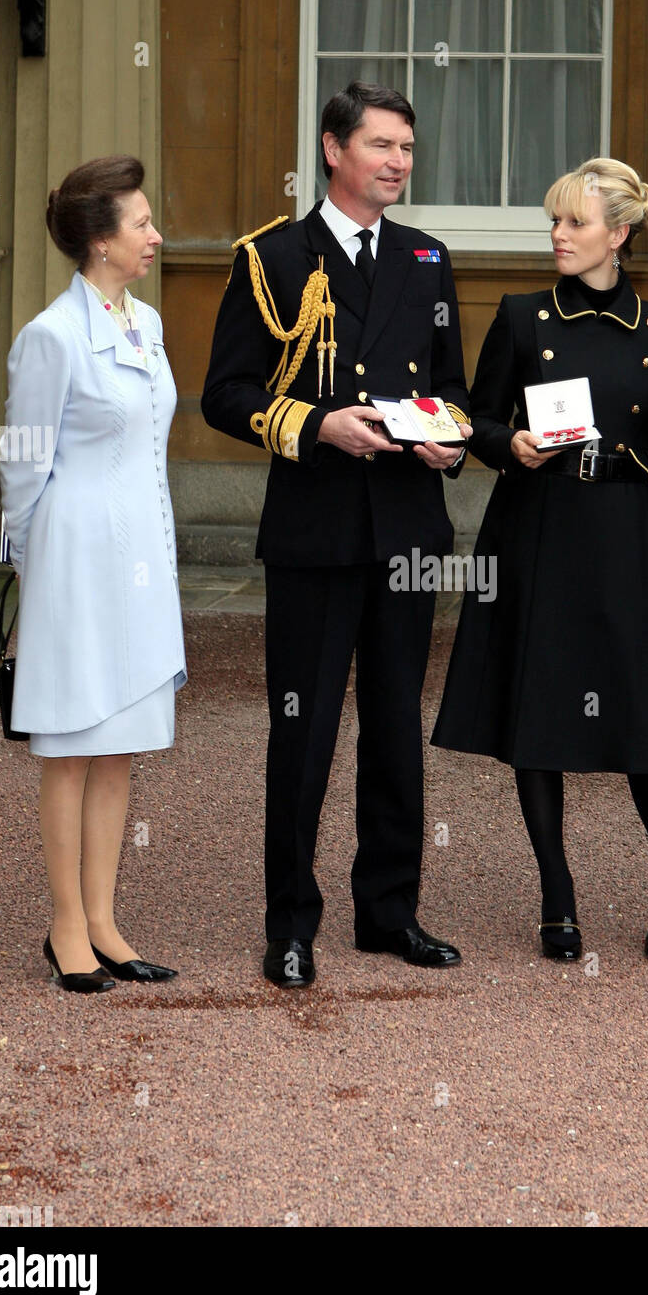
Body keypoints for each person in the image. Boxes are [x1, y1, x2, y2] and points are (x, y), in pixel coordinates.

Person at [202, 81, 472, 988]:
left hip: (404, 529)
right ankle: (290, 924)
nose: (398, 161)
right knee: (303, 730)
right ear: (332, 149)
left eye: (407, 147)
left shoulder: (428, 259)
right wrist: (317, 426)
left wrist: (448, 440)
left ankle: (390, 913)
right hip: (315, 530)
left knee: (395, 725)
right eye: (381, 145)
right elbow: (226, 394)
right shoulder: (273, 256)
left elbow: (452, 391)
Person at [431, 158, 648, 961]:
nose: (556, 235)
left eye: (573, 223)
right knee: (537, 713)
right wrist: (502, 441)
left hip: (618, 528)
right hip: (535, 526)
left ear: (618, 234)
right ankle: (557, 894)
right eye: (553, 222)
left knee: (641, 716)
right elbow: (471, 416)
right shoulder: (521, 317)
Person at [1, 155, 186, 994]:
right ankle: (65, 926)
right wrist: (33, 577)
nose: (154, 235)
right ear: (100, 241)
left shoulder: (144, 321)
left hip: (143, 557)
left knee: (120, 749)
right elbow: (22, 468)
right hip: (73, 562)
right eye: (141, 223)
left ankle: (106, 919)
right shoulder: (49, 335)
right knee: (71, 751)